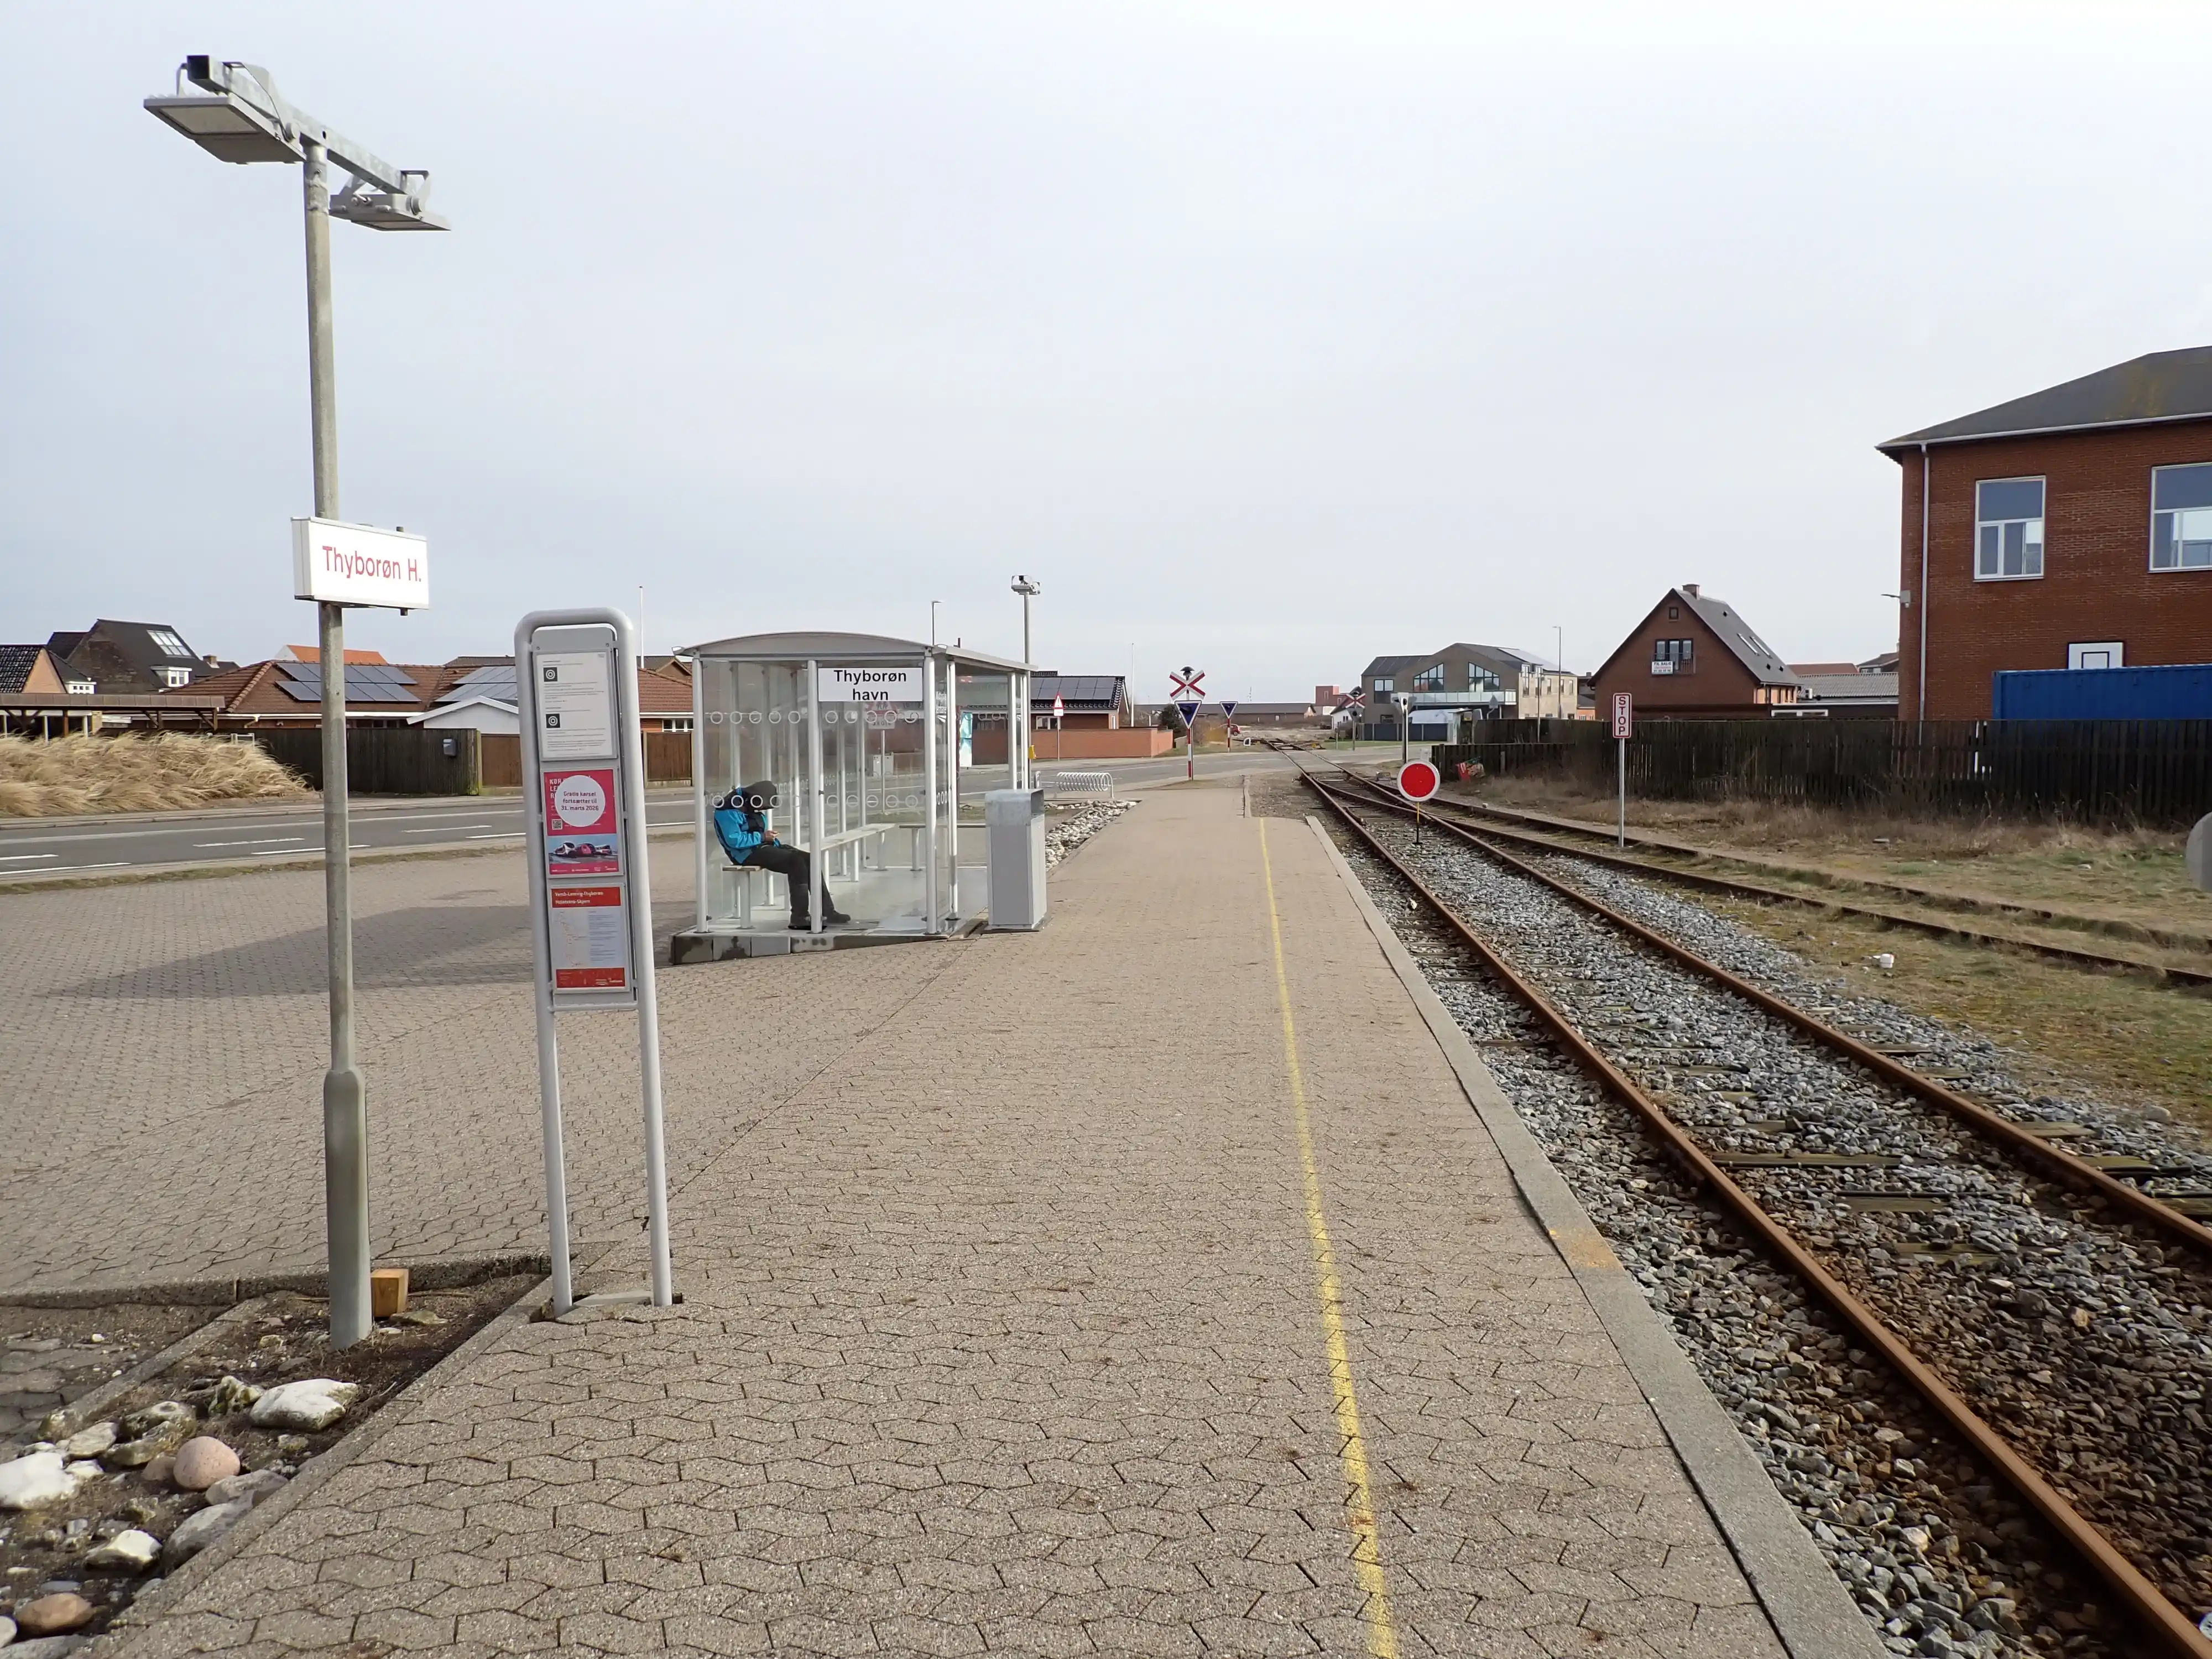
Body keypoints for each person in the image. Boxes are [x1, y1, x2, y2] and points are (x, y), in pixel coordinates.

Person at [711, 780, 849, 929]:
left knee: (810, 859)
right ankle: (799, 917)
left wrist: (772, 842)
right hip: (745, 855)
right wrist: (763, 837)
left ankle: (828, 911)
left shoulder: (747, 804)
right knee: (795, 862)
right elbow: (734, 840)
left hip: (761, 847)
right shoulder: (727, 811)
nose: (761, 810)